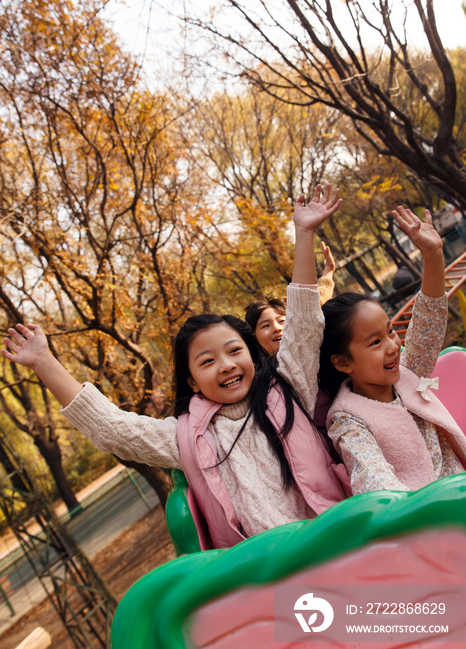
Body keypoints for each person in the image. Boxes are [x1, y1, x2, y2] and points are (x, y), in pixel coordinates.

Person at [2, 185, 348, 550]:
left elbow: (305, 324)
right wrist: (43, 361)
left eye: (234, 351)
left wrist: (305, 234)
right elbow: (113, 429)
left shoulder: (291, 387)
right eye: (208, 361)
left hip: (334, 541)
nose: (226, 365)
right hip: (264, 573)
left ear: (251, 354)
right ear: (192, 381)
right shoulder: (187, 437)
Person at [320, 206, 466, 496]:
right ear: (342, 361)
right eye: (375, 343)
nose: (392, 345)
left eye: (389, 332)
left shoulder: (407, 374)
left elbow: (427, 322)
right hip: (427, 519)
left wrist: (434, 255)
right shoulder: (349, 419)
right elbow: (373, 479)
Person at [245, 242, 336, 356]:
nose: (277, 328)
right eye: (265, 326)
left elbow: (318, 300)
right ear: (254, 338)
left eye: (282, 321)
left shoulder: (310, 345)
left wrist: (329, 269)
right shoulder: (258, 371)